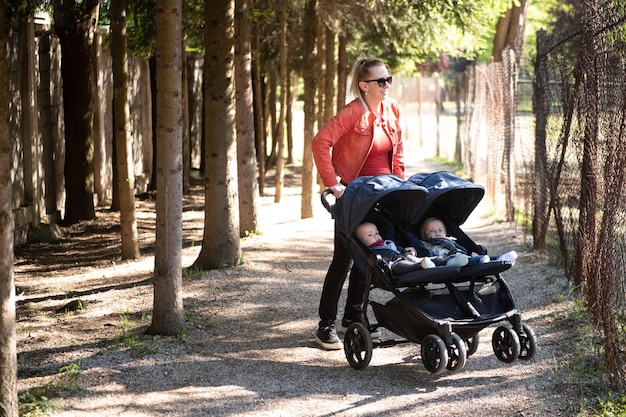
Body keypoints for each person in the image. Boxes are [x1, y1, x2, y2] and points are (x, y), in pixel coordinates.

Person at [311, 58, 404, 350]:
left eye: (388, 79)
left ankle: (353, 318)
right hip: (354, 196)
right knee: (344, 260)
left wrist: (401, 185)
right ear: (364, 86)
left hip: (384, 195)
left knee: (371, 260)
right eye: (380, 81)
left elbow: (397, 152)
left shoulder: (391, 110)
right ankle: (325, 325)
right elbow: (320, 142)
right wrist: (333, 182)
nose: (386, 85)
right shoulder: (353, 112)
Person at [420, 217, 518, 266]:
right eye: (431, 231)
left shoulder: (451, 240)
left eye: (440, 230)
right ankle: (480, 260)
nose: (437, 232)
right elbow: (421, 250)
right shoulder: (427, 244)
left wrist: (471, 254)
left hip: (461, 256)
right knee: (462, 259)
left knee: (468, 258)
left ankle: (500, 259)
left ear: (445, 233)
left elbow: (461, 249)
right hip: (446, 260)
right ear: (425, 235)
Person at [356, 222, 435, 274]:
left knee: (415, 258)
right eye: (370, 235)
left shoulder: (387, 243)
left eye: (377, 233)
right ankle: (420, 265)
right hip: (393, 265)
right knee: (402, 266)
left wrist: (408, 250)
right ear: (361, 243)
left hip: (404, 257)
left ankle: (442, 260)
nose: (376, 236)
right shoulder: (370, 252)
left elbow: (398, 249)